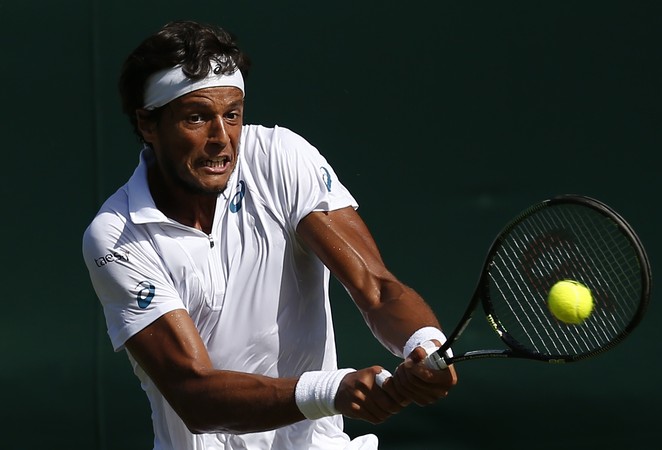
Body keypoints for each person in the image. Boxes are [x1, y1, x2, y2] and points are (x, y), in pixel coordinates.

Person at [82, 20, 457, 450]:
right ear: (149, 125)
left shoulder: (279, 158)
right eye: (197, 118)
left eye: (233, 115)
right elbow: (195, 393)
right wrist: (331, 390)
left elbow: (376, 285)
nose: (221, 140)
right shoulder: (115, 238)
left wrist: (425, 344)